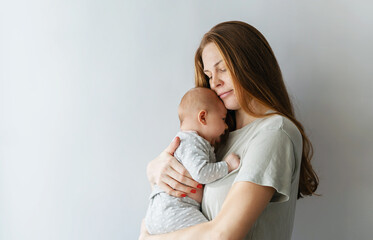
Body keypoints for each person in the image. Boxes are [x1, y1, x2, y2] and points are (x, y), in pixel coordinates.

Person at [139, 21, 319, 240]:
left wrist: (149, 238)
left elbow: (224, 235)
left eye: (222, 69)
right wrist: (153, 169)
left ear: (251, 64)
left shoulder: (274, 133)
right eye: (209, 75)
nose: (215, 82)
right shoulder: (216, 138)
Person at [145, 87, 240, 234]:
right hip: (174, 211)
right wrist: (227, 166)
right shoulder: (192, 142)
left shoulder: (189, 141)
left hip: (160, 212)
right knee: (209, 234)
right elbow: (201, 173)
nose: (226, 126)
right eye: (223, 119)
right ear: (203, 118)